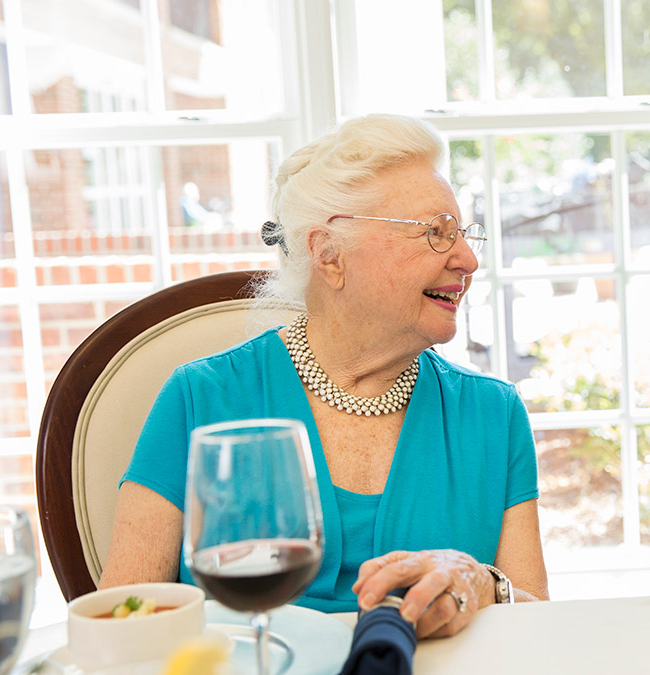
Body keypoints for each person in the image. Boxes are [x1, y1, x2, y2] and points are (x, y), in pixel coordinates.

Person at [100, 113, 549, 637]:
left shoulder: (492, 415)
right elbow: (120, 624)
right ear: (329, 254)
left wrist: (482, 583)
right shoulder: (199, 400)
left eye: (464, 234)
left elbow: (536, 625)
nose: (468, 259)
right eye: (436, 233)